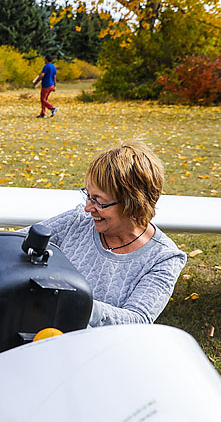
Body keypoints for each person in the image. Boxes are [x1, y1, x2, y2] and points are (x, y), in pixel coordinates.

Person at [32, 140, 187, 326]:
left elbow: (137, 320)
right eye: (88, 195)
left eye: (99, 201)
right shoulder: (77, 220)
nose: (88, 208)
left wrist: (71, 301)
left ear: (133, 205)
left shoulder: (163, 258)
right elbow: (11, 243)